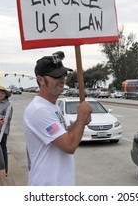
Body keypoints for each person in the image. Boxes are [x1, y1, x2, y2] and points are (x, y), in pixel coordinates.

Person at [23, 51, 92, 186]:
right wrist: (81, 118)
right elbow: (69, 145)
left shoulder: (51, 107)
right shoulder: (40, 110)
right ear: (41, 80)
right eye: (56, 76)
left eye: (63, 74)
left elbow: (63, 135)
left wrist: (81, 122)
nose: (62, 79)